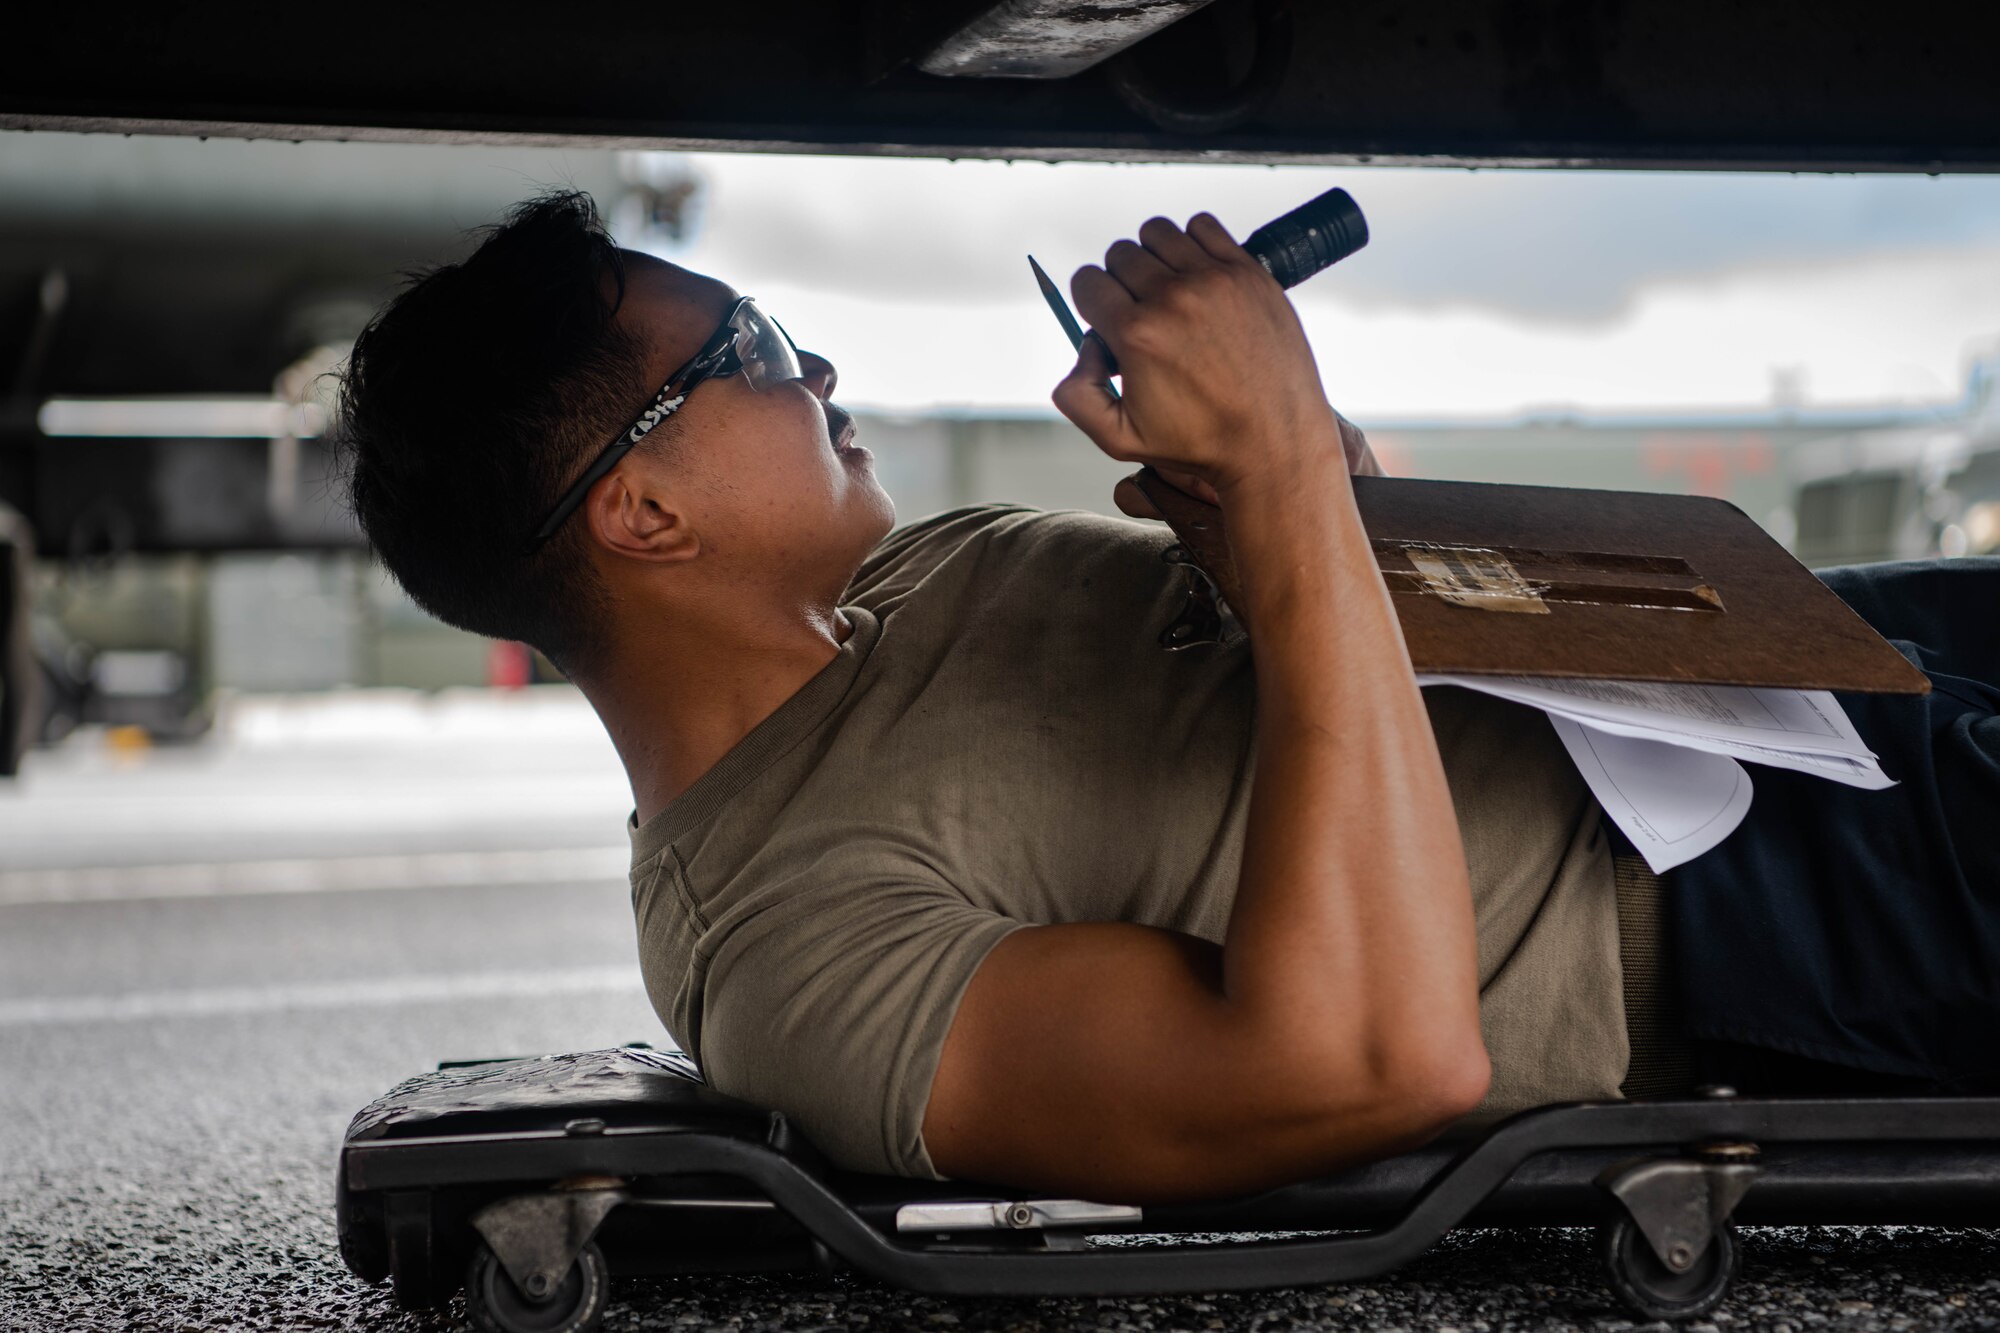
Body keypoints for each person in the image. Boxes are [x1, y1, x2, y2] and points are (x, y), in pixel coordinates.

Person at [334, 191, 1998, 1203]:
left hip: (1744, 665)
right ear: (643, 511)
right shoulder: (789, 939)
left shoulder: (926, 569)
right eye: (750, 351)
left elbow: (1334, 618)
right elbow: (1364, 1057)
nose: (815, 371)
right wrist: (1279, 490)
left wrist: (1298, 471)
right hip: (1744, 900)